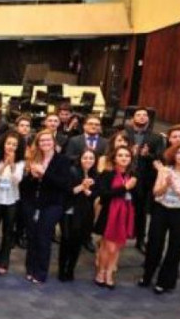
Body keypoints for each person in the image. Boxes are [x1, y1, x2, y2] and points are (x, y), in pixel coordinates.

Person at [140, 143, 180, 294]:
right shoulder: (165, 171)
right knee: (154, 243)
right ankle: (147, 276)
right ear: (174, 155)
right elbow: (156, 192)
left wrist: (177, 190)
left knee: (175, 248)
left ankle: (164, 281)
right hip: (162, 211)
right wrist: (166, 186)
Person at [21, 130, 71, 284]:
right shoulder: (34, 159)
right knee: (32, 236)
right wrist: (32, 177)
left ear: (53, 142)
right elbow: (25, 186)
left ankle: (41, 272)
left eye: (48, 140)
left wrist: (44, 174)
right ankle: (30, 269)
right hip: (32, 203)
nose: (45, 143)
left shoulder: (62, 160)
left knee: (43, 237)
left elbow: (64, 185)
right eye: (41, 141)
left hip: (52, 205)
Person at [93, 146, 137, 289]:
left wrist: (131, 189)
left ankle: (109, 273)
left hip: (126, 214)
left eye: (127, 156)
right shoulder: (107, 174)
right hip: (109, 213)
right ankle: (101, 271)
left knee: (117, 247)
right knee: (107, 246)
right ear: (114, 158)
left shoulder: (134, 176)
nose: (124, 158)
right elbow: (103, 195)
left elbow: (139, 197)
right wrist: (124, 188)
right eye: (120, 155)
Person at [0, 131, 25, 276]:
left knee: (8, 231)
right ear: (3, 144)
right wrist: (4, 165)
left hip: (12, 199)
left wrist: (13, 165)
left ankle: (4, 261)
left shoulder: (20, 161)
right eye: (9, 143)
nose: (11, 147)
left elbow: (17, 180)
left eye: (14, 144)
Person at [125, 108, 164, 253]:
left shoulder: (156, 138)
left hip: (144, 180)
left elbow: (160, 158)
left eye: (144, 115)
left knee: (141, 211)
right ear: (132, 118)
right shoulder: (123, 134)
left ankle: (140, 240)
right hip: (124, 176)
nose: (142, 117)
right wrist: (130, 152)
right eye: (138, 115)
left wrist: (147, 155)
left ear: (148, 119)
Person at [58, 149, 98, 282]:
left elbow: (95, 195)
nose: (88, 161)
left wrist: (87, 190)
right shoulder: (72, 171)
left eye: (91, 158)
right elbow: (68, 191)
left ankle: (70, 269)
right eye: (85, 158)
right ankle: (61, 269)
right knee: (66, 240)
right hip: (69, 211)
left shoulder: (95, 174)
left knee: (78, 242)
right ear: (80, 159)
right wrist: (82, 186)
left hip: (85, 212)